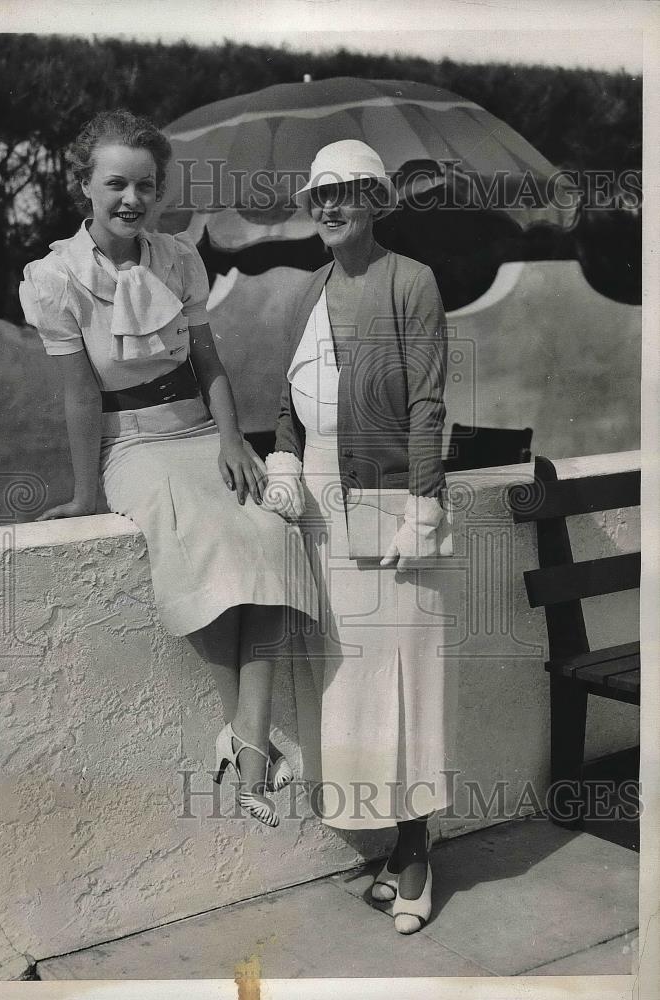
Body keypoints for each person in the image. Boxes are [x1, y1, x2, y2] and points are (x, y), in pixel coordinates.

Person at [19, 109, 317, 829]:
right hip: (132, 451)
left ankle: (246, 734)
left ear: (160, 191)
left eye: (145, 185)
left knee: (274, 533)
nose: (131, 199)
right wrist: (87, 492)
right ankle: (249, 743)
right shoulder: (56, 278)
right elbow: (79, 394)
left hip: (198, 434)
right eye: (115, 183)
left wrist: (230, 440)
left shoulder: (180, 259)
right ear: (84, 186)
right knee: (202, 549)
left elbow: (207, 362)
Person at [262, 140, 457, 933]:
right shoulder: (313, 286)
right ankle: (392, 844)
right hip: (318, 510)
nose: (333, 208)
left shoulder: (412, 281)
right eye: (321, 197)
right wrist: (280, 464)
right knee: (354, 694)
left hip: (392, 507)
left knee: (409, 680)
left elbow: (427, 405)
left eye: (348, 194)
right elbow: (288, 399)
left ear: (377, 200)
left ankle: (417, 854)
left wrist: (426, 505)